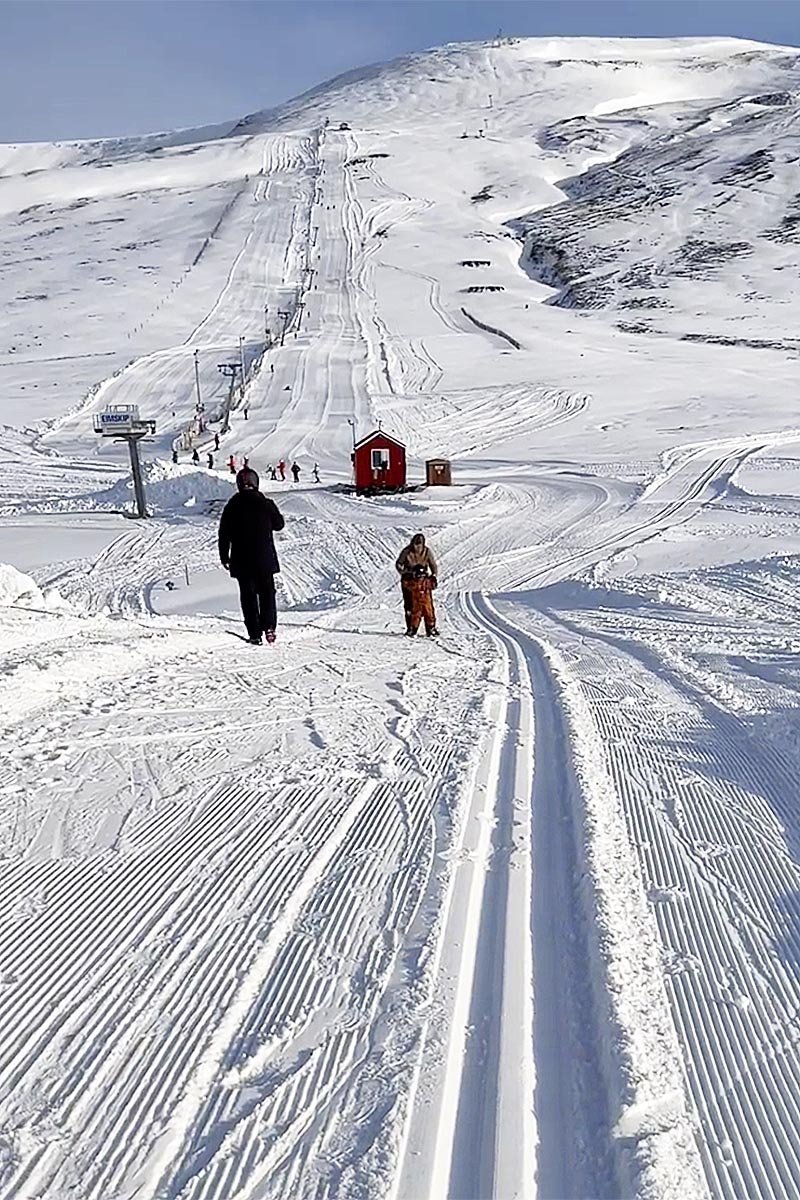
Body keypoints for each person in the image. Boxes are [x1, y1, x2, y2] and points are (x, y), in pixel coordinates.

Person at [218, 467, 285, 646]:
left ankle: (255, 634)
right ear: (256, 483)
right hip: (264, 558)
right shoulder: (265, 503)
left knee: (248, 597)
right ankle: (269, 626)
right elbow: (279, 525)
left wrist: (224, 556)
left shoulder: (232, 505)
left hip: (241, 560)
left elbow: (223, 534)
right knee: (267, 593)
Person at [395, 533, 439, 637]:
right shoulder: (407, 552)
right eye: (415, 544)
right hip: (409, 580)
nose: (417, 547)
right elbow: (399, 564)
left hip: (423, 581)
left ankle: (430, 628)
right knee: (410, 605)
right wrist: (406, 572)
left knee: (427, 606)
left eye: (419, 545)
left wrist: (433, 576)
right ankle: (411, 628)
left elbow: (433, 565)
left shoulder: (427, 552)